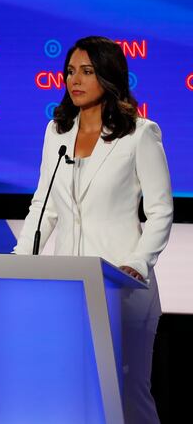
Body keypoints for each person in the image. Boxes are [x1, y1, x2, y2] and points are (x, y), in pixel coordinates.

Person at [14, 36, 173, 423]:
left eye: (87, 71)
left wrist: (138, 263)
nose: (75, 80)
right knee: (72, 394)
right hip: (68, 285)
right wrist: (20, 261)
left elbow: (160, 211)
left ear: (109, 75)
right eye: (70, 71)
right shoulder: (57, 132)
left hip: (123, 285)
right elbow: (45, 205)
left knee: (127, 395)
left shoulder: (140, 133)